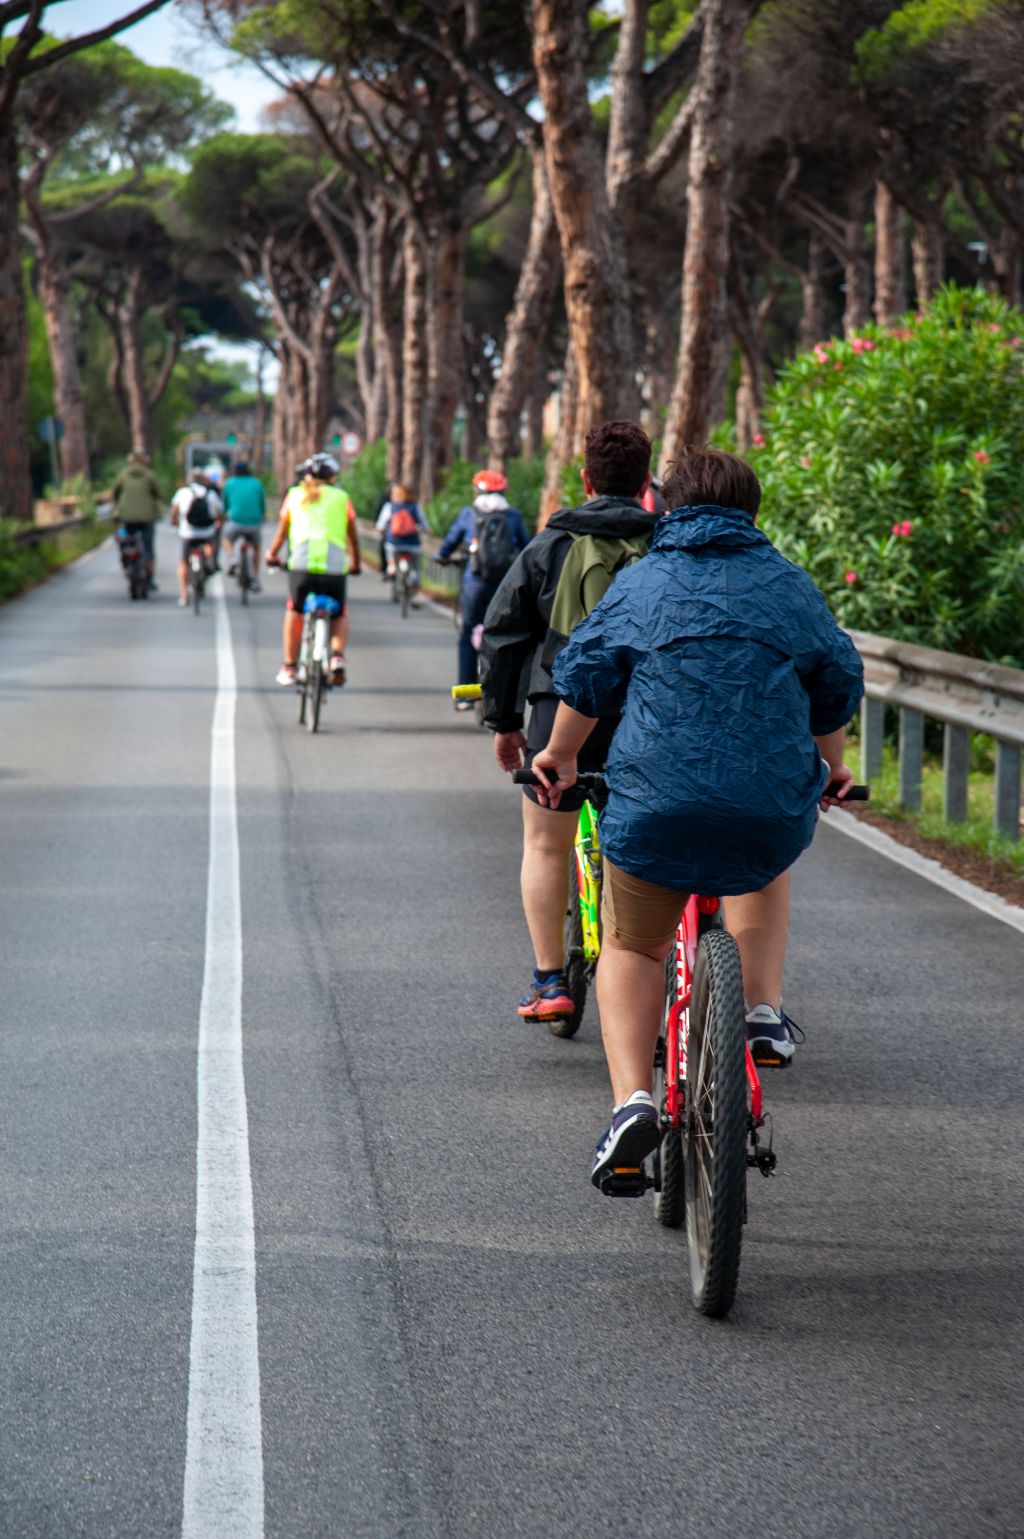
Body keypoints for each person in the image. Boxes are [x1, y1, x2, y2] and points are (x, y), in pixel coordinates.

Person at [528, 446, 864, 1189]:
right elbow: (835, 682)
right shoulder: (787, 584)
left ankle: (631, 1103)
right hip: (763, 802)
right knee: (760, 862)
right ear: (752, 510)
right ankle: (764, 1009)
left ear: (665, 507)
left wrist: (558, 755)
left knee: (632, 947)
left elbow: (583, 674)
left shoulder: (644, 580)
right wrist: (833, 766)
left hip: (655, 801)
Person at [480, 420, 658, 1023]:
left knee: (544, 842)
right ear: (645, 483)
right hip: (647, 713)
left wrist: (503, 720)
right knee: (646, 843)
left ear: (585, 479)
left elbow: (505, 634)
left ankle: (550, 980)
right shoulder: (666, 543)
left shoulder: (550, 545)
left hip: (559, 709)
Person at [265, 451, 361, 687]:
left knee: (294, 611)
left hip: (301, 567)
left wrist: (271, 555)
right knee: (339, 613)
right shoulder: (341, 498)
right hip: (335, 568)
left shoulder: (294, 495)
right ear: (332, 477)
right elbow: (353, 536)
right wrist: (356, 562)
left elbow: (282, 533)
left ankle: (289, 665)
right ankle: (337, 657)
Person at [438, 469, 529, 698]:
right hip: (506, 586)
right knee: (507, 635)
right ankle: (507, 694)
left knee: (468, 633)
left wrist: (441, 556)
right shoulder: (512, 515)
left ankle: (465, 695)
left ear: (476, 491)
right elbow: (527, 549)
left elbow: (450, 542)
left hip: (475, 585)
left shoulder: (470, 514)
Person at [112, 450, 162, 591]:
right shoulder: (150, 475)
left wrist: (117, 507)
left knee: (126, 540)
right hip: (147, 517)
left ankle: (127, 562)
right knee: (148, 548)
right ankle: (150, 579)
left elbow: (115, 493)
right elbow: (157, 494)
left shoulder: (123, 475)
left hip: (126, 517)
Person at [170, 470, 222, 608]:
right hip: (206, 532)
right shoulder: (210, 493)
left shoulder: (182, 492)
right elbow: (219, 512)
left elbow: (174, 511)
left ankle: (184, 594)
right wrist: (217, 522)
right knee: (211, 542)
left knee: (183, 563)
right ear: (203, 480)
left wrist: (174, 522)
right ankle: (210, 561)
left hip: (187, 533)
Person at [375, 483, 428, 605]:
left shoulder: (390, 506)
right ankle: (415, 582)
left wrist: (381, 529)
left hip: (394, 543)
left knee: (388, 547)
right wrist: (426, 530)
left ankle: (391, 565)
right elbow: (424, 523)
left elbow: (381, 524)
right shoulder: (415, 507)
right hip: (413, 543)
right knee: (415, 566)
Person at [221, 461, 266, 590]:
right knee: (256, 548)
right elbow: (262, 504)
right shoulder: (257, 483)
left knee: (226, 539)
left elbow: (225, 505)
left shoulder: (229, 483)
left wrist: (224, 516)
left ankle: (232, 557)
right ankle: (256, 578)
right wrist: (262, 516)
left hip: (235, 522)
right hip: (254, 523)